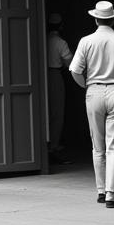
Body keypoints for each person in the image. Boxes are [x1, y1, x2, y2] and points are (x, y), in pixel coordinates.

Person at [69, 1, 114, 207]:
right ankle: (112, 194)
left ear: (95, 18)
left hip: (93, 91)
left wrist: (86, 86)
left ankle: (101, 191)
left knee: (97, 146)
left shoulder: (86, 41)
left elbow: (75, 70)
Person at [46, 12, 73, 164]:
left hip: (40, 76)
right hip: (54, 75)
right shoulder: (60, 42)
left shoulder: (41, 39)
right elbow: (70, 64)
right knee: (57, 112)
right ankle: (53, 147)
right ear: (61, 26)